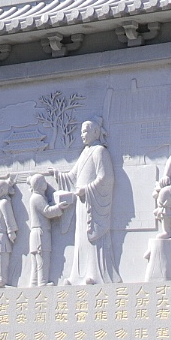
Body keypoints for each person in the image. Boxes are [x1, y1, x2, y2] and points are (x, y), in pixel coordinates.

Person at [53, 119, 120, 284]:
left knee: (94, 238)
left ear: (96, 132)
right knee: (81, 239)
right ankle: (78, 275)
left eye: (85, 131)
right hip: (82, 203)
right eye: (81, 131)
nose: (82, 135)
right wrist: (58, 175)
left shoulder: (99, 151)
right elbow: (73, 176)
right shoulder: (85, 152)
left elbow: (106, 178)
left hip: (93, 202)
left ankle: (95, 274)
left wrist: (87, 189)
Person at [25, 175, 68, 287]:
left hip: (37, 232)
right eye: (43, 181)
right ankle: (42, 282)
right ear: (39, 184)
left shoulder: (37, 197)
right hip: (40, 233)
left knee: (37, 260)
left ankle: (34, 283)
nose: (46, 183)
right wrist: (59, 207)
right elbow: (47, 211)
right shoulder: (37, 198)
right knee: (42, 258)